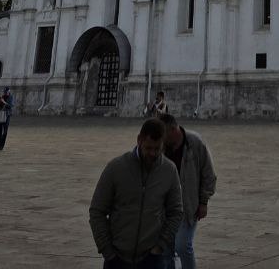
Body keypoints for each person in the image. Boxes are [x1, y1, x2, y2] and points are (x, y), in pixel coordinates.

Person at [89, 117, 183, 268]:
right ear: (139, 140)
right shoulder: (116, 168)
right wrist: (107, 251)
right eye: (148, 148)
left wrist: (160, 246)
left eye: (157, 149)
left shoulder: (169, 170)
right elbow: (97, 211)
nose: (152, 154)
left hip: (152, 258)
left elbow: (176, 212)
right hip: (117, 257)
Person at [162, 114, 217, 269]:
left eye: (164, 135)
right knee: (165, 249)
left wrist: (204, 202)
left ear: (173, 130)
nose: (162, 139)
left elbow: (208, 174)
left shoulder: (195, 143)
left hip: (188, 205)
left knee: (182, 246)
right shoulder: (161, 145)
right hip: (164, 206)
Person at [0, 86, 14, 151]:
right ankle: (0, 144)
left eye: (6, 92)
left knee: (5, 131)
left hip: (7, 115)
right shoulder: (2, 97)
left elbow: (11, 106)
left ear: (9, 91)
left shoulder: (11, 97)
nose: (5, 93)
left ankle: (1, 146)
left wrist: (4, 102)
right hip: (1, 114)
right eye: (4, 92)